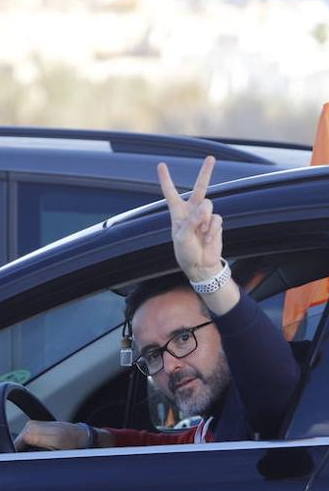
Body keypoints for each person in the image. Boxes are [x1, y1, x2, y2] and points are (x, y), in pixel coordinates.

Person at [15, 156, 300, 451]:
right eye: (152, 354)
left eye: (183, 337)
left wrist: (207, 274)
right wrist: (90, 438)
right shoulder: (216, 423)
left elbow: (272, 380)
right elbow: (180, 446)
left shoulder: (261, 411)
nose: (170, 365)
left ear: (225, 331)